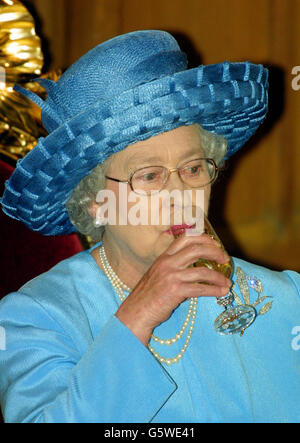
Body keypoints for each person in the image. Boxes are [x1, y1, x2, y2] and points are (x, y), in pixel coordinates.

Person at [0, 30, 299, 424]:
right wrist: (136, 319)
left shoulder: (285, 302)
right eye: (150, 176)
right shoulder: (37, 317)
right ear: (94, 199)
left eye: (193, 169)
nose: (180, 196)